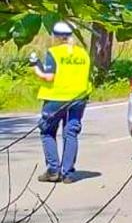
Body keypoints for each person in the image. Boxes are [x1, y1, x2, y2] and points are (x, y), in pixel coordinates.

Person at [28, 20, 92, 184]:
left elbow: (48, 76)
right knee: (70, 133)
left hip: (56, 99)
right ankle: (68, 173)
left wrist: (35, 65)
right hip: (78, 98)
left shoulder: (54, 53)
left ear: (55, 36)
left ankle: (53, 170)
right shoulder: (82, 54)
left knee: (47, 131)